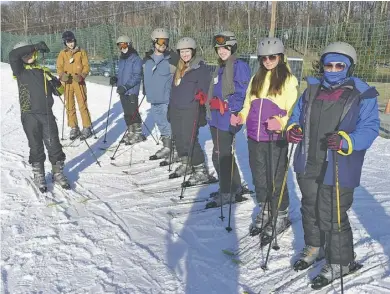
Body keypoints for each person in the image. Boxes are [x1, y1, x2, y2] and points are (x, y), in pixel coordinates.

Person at [286, 42, 379, 287]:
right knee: (310, 206)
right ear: (323, 65)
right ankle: (315, 246)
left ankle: (342, 261)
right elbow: (296, 116)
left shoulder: (362, 92)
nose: (334, 69)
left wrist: (348, 140)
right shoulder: (311, 90)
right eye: (329, 64)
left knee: (333, 212)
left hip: (339, 162)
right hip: (309, 159)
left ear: (348, 67)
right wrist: (293, 129)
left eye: (340, 65)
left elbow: (370, 128)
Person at [231, 37, 299, 242]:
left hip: (275, 137)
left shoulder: (289, 80)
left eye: (272, 57)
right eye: (264, 58)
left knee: (276, 176)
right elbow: (247, 105)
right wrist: (241, 116)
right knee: (259, 175)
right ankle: (266, 207)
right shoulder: (256, 78)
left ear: (280, 56)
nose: (268, 61)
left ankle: (281, 213)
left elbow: (293, 110)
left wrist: (281, 122)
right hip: (254, 135)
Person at [9, 40, 70, 192]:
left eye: (30, 53)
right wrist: (35, 46)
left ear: (35, 54)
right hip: (29, 115)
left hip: (47, 115)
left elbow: (60, 92)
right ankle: (39, 175)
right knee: (36, 147)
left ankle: (57, 173)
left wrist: (56, 83)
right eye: (24, 54)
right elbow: (13, 54)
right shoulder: (19, 71)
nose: (28, 56)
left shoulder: (44, 71)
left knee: (54, 145)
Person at [205, 31, 251, 208]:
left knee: (220, 157)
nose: (222, 51)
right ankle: (234, 187)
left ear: (232, 47)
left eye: (226, 47)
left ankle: (227, 192)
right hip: (215, 118)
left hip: (226, 118)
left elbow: (241, 92)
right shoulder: (221, 67)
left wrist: (230, 107)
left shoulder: (239, 66)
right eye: (219, 48)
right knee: (223, 155)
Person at [167, 37, 212, 185]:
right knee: (179, 139)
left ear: (193, 51)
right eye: (182, 51)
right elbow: (174, 90)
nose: (185, 54)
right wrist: (170, 108)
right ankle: (186, 164)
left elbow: (206, 91)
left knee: (189, 140)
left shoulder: (200, 69)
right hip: (176, 108)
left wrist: (202, 108)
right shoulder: (178, 68)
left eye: (187, 51)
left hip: (191, 110)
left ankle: (200, 171)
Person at [143, 28, 179, 160]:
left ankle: (174, 148)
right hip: (153, 97)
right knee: (160, 123)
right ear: (154, 42)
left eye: (166, 41)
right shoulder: (147, 59)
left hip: (167, 98)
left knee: (168, 123)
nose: (163, 44)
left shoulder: (172, 58)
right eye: (160, 41)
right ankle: (167, 146)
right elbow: (145, 75)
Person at [57, 30, 93, 140]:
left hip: (78, 82)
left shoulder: (81, 52)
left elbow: (86, 66)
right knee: (69, 106)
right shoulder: (63, 53)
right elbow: (59, 67)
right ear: (65, 43)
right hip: (68, 83)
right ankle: (74, 127)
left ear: (74, 40)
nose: (70, 44)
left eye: (71, 41)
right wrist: (62, 76)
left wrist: (82, 76)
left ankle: (86, 127)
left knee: (82, 104)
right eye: (68, 42)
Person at [109, 35, 145, 145]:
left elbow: (137, 76)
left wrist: (125, 87)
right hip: (123, 91)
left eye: (124, 44)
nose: (122, 47)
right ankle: (131, 132)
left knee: (133, 112)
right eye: (119, 45)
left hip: (131, 91)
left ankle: (138, 134)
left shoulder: (136, 58)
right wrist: (116, 80)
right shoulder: (122, 59)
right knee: (127, 113)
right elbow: (122, 75)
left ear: (129, 44)